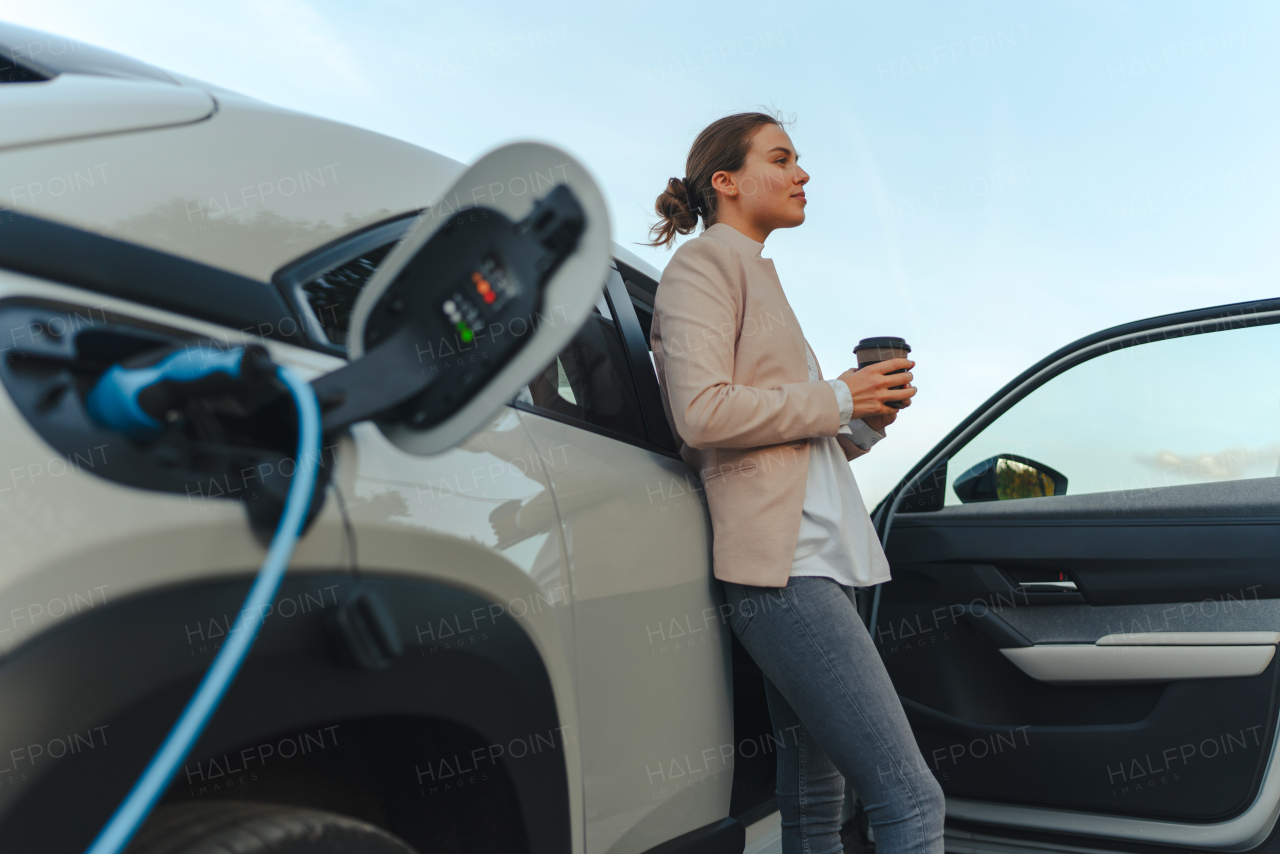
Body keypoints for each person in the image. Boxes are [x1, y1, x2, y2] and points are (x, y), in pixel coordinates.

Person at [645, 111, 944, 854]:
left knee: (814, 796)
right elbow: (702, 413)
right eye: (781, 158)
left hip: (815, 565)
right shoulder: (704, 265)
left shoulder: (757, 276)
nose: (802, 173)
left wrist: (866, 418)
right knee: (911, 799)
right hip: (784, 573)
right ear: (727, 181)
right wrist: (839, 394)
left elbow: (796, 440)